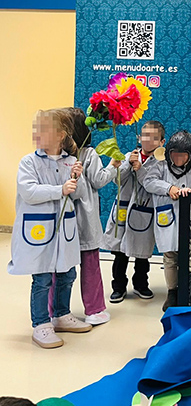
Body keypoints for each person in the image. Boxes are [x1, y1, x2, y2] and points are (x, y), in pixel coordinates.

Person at [8, 109, 92, 349]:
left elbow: (79, 194)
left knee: (67, 273)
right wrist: (59, 189)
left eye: (44, 129)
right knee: (43, 277)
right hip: (39, 230)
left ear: (61, 134)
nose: (38, 134)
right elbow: (29, 192)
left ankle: (62, 314)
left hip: (64, 231)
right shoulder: (29, 162)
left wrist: (78, 178)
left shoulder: (70, 161)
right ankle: (41, 324)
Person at [67, 107, 120, 325]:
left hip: (66, 219)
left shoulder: (60, 155)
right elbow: (98, 180)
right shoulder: (89, 154)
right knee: (90, 265)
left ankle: (56, 310)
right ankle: (94, 310)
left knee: (61, 268)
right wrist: (113, 166)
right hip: (85, 218)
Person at [144, 131, 191, 311]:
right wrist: (168, 188)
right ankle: (172, 291)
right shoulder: (161, 165)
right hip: (168, 219)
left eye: (183, 155)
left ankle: (189, 290)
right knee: (170, 256)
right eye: (174, 154)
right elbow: (148, 182)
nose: (178, 158)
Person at [103, 120, 165, 303]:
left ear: (162, 142)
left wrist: (141, 169)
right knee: (119, 253)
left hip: (143, 212)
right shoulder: (130, 156)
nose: (148, 140)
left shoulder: (161, 163)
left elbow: (154, 185)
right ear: (139, 137)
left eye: (153, 138)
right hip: (123, 209)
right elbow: (118, 180)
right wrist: (128, 166)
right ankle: (118, 287)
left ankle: (141, 284)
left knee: (142, 253)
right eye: (144, 136)